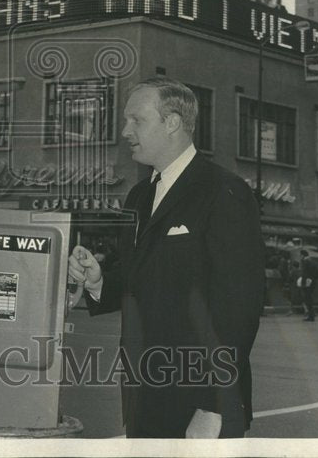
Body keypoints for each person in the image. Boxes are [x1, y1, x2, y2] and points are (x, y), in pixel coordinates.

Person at [68, 78, 265, 438]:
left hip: (200, 405)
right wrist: (100, 281)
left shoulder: (225, 191)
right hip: (143, 397)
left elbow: (239, 308)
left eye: (136, 120)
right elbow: (140, 277)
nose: (125, 131)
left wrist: (213, 407)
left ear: (172, 122)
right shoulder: (139, 196)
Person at [297, 250, 318, 322]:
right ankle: (311, 315)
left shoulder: (305, 262)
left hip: (307, 283)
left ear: (303, 255)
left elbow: (304, 273)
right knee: (310, 299)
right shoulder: (312, 261)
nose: (300, 257)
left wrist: (302, 284)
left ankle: (310, 316)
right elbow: (317, 274)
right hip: (313, 282)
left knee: (307, 299)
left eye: (300, 255)